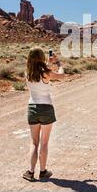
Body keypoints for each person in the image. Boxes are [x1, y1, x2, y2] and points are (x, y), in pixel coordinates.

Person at [22, 47, 64, 181]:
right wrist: (58, 63)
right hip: (46, 108)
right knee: (44, 143)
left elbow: (40, 69)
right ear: (42, 58)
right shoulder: (46, 73)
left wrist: (48, 63)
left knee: (34, 142)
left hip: (32, 108)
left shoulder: (28, 73)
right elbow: (61, 75)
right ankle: (43, 171)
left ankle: (30, 172)